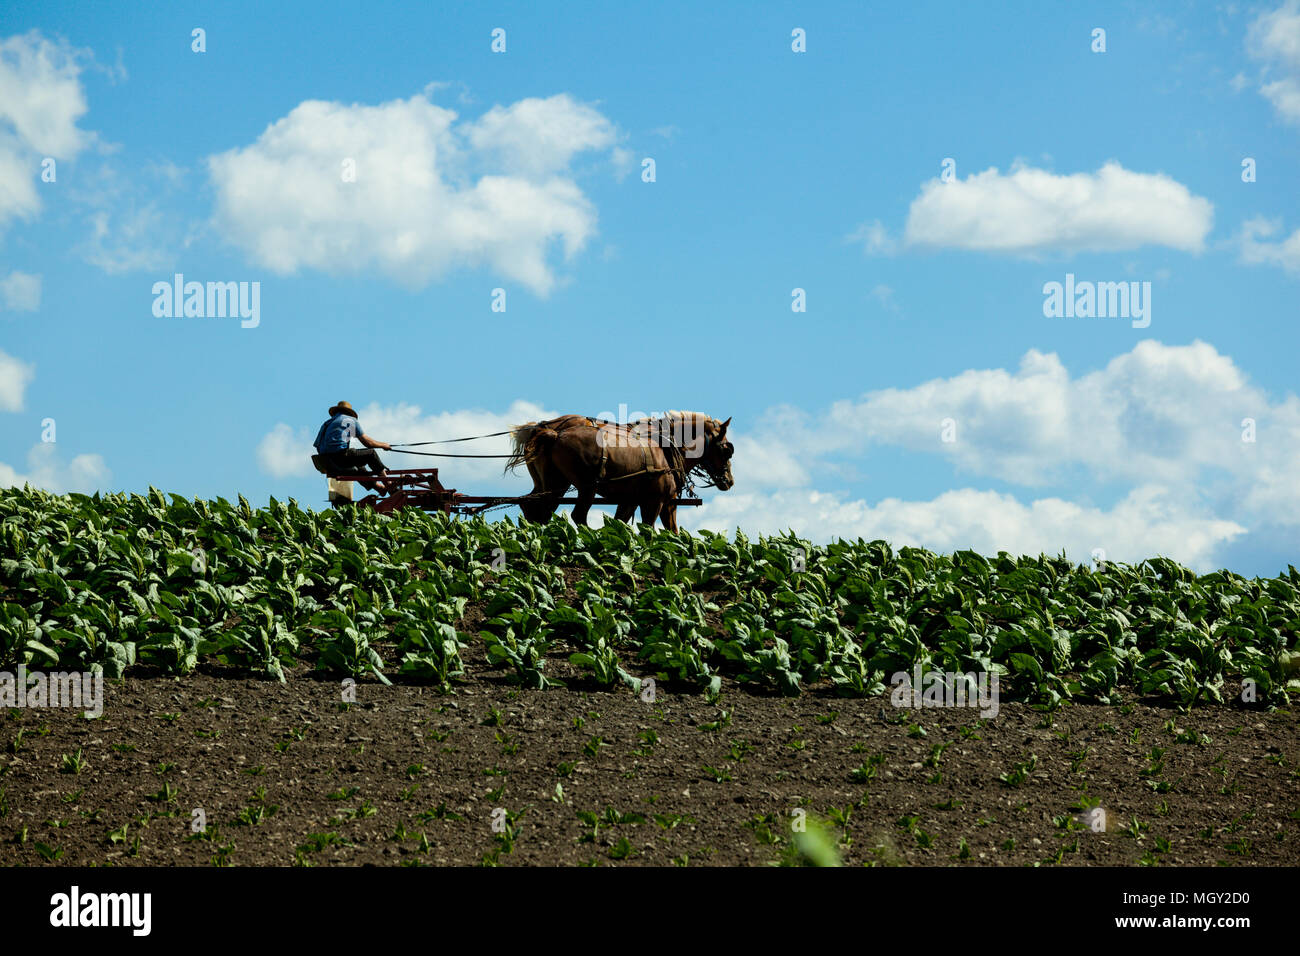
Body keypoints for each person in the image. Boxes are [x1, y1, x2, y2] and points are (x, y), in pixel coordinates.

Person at [313, 401, 393, 495]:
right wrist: (384, 445)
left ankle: (379, 488)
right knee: (371, 454)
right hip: (339, 456)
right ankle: (389, 484)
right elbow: (368, 443)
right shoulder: (350, 420)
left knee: (358, 465)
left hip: (324, 460)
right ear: (349, 412)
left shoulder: (327, 423)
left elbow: (317, 445)